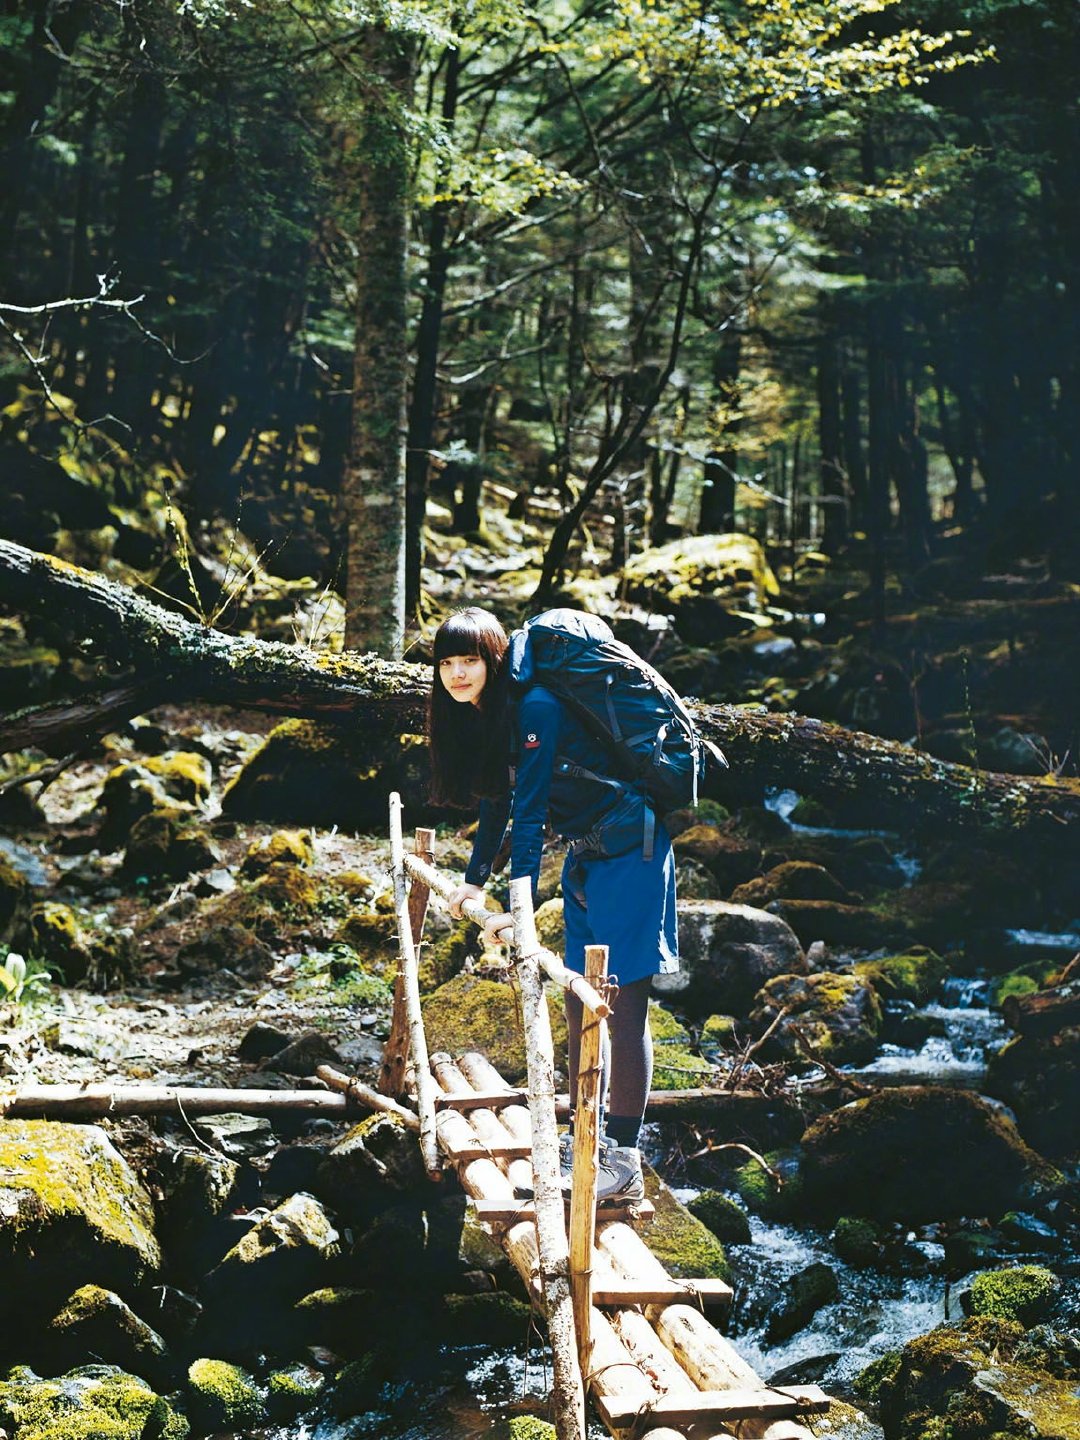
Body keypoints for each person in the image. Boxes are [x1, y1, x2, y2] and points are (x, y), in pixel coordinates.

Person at [427, 606, 680, 1204]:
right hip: (590, 856)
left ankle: (622, 1158)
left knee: (622, 1005)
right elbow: (497, 802)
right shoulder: (493, 716)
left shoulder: (537, 706)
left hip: (632, 853)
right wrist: (471, 880)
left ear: (493, 660)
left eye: (469, 661)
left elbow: (532, 813)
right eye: (447, 663)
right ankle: (584, 1138)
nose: (458, 674)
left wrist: (516, 905)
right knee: (576, 998)